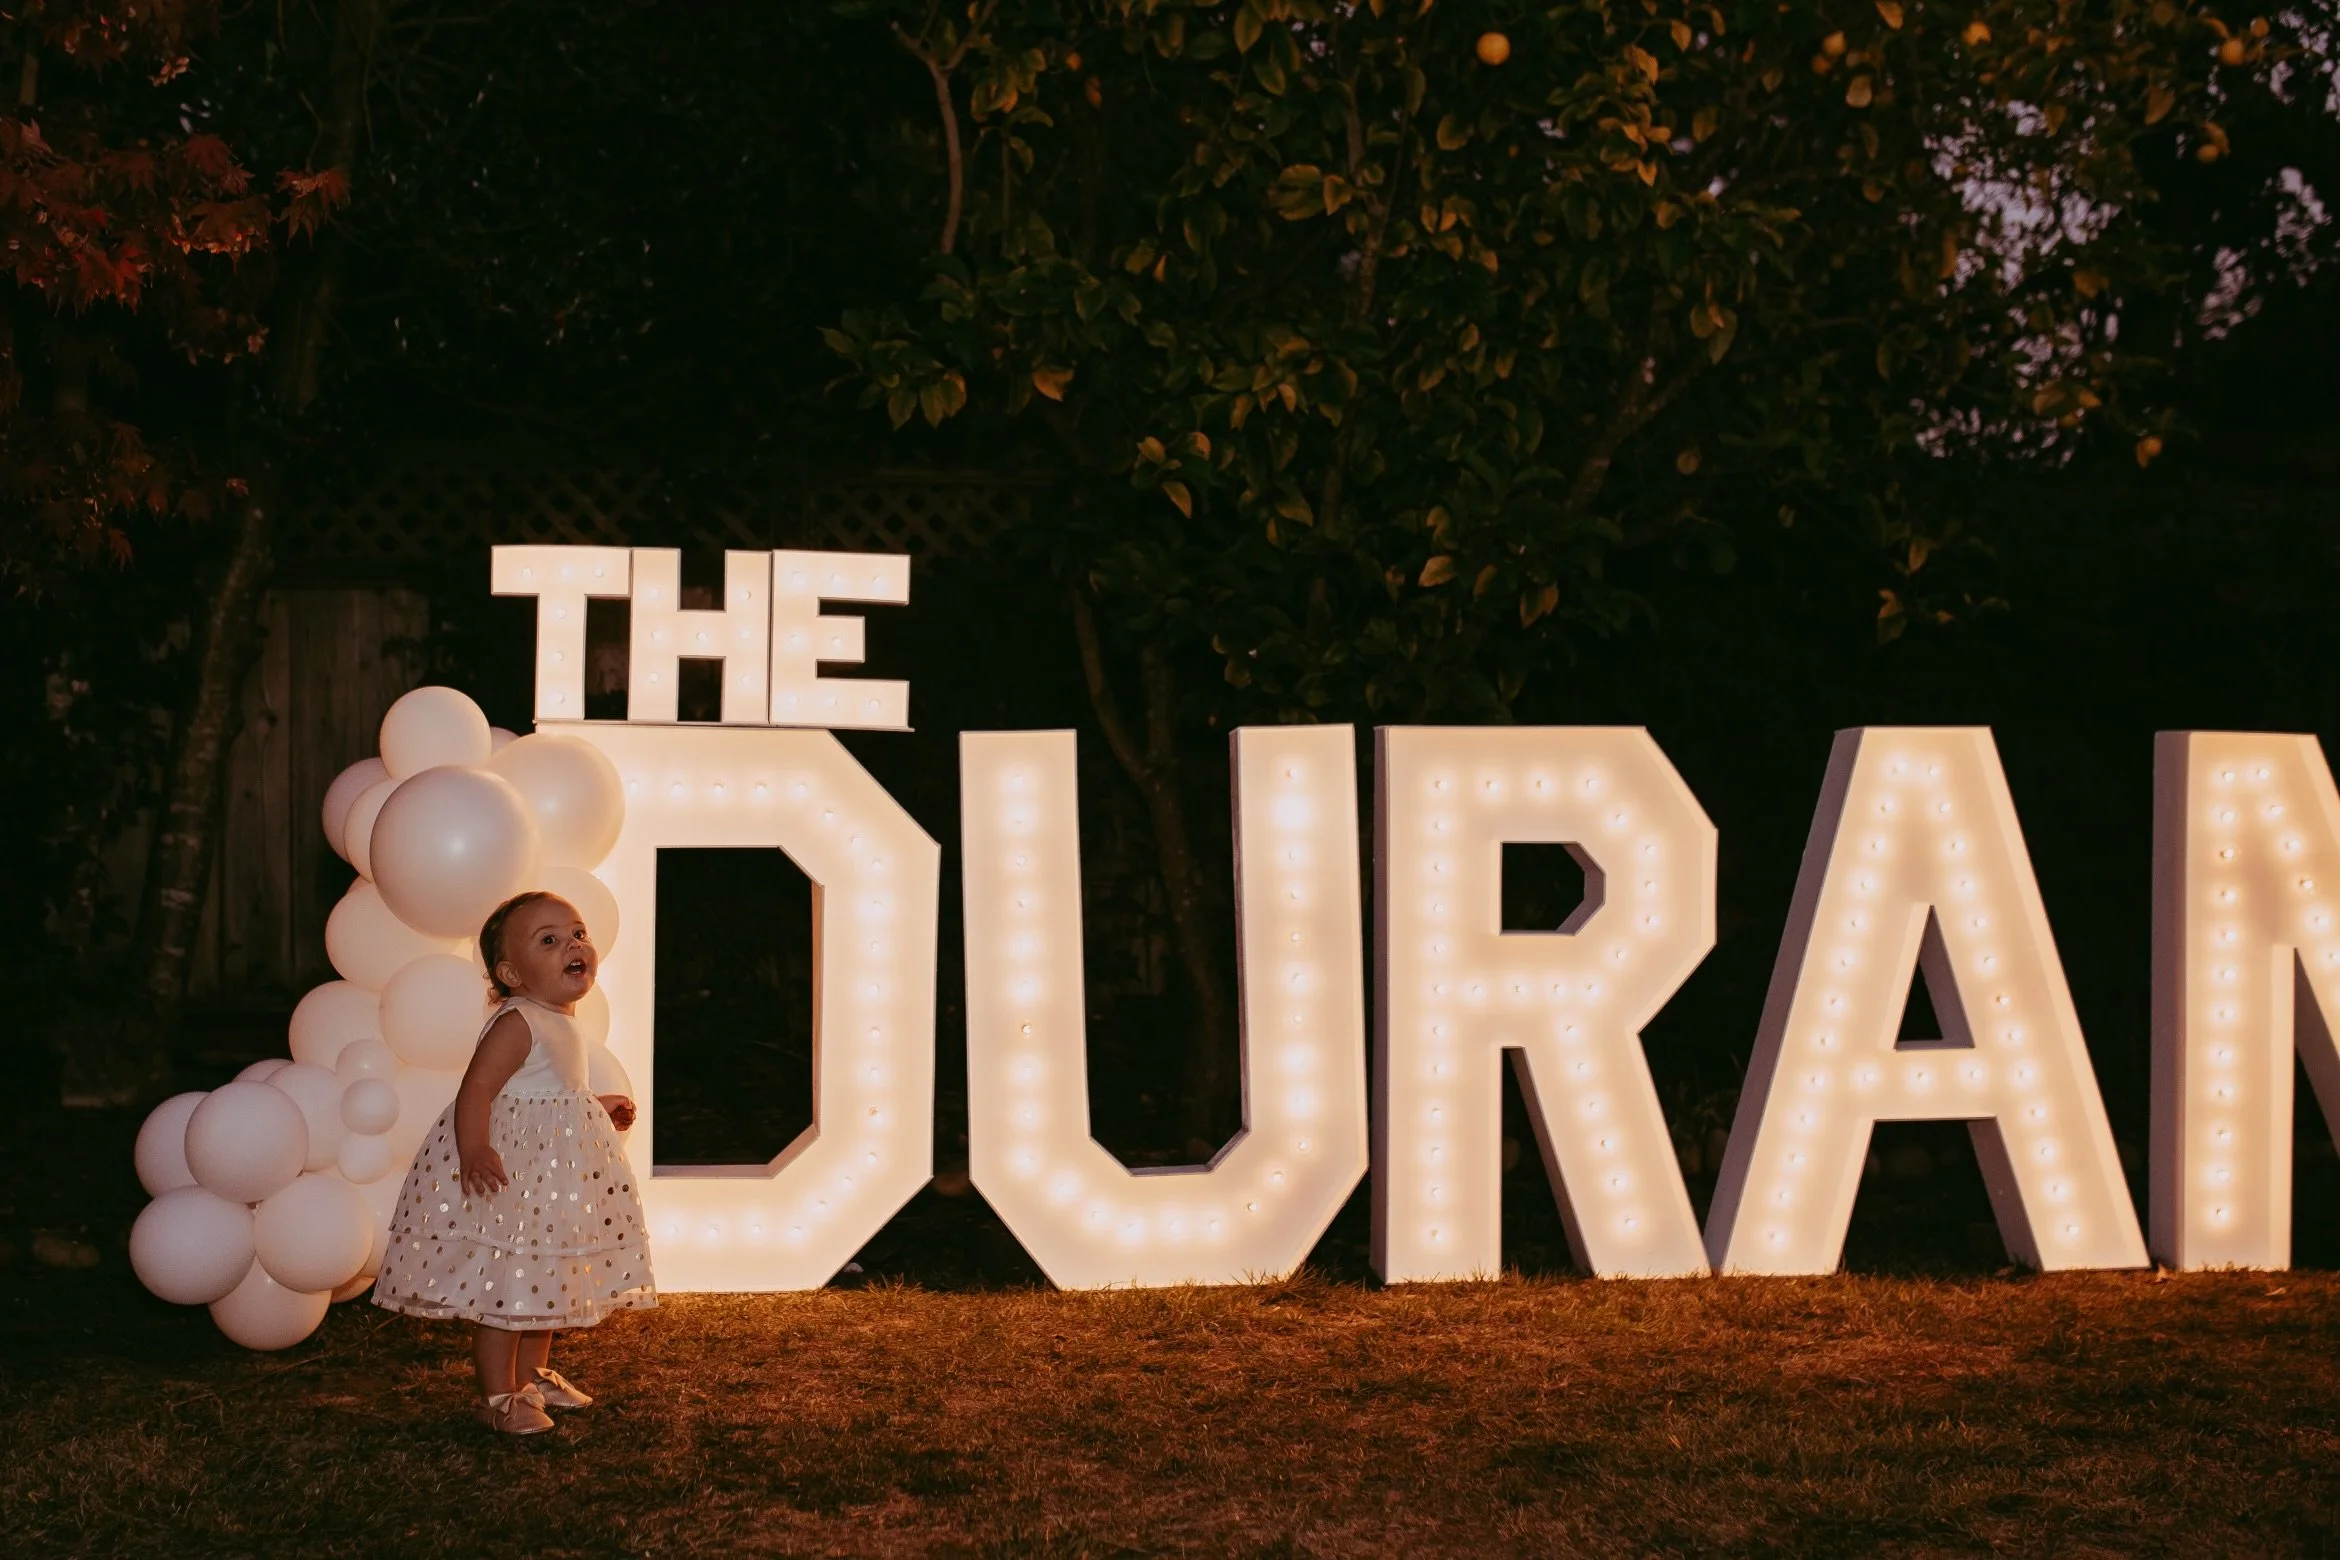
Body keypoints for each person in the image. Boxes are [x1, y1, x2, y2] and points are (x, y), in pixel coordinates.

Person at [373, 890, 655, 1434]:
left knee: (544, 1275)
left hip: (548, 1181)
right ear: (512, 973)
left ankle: (533, 1377)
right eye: (548, 941)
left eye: (577, 933)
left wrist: (595, 1108)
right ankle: (498, 1395)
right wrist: (475, 1149)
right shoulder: (517, 1021)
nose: (573, 945)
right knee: (508, 1284)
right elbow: (478, 1090)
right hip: (514, 1179)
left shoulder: (562, 1020)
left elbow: (547, 1098)